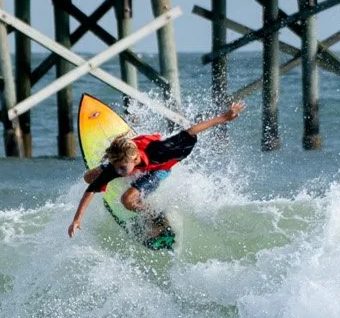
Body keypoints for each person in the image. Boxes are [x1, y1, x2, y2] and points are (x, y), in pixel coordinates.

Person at [67, 100, 246, 237]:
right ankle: (106, 169)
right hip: (133, 161)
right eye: (117, 167)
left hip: (158, 170)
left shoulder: (160, 151)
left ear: (135, 158)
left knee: (127, 200)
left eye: (121, 168)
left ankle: (155, 218)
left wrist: (224, 117)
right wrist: (77, 219)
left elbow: (191, 131)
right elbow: (90, 190)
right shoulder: (119, 165)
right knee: (89, 178)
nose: (118, 172)